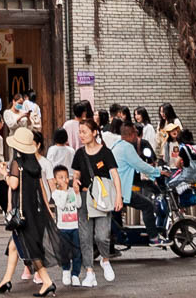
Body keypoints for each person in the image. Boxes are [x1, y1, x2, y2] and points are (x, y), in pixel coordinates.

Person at [0, 125, 52, 295]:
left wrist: (4, 173)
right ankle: (6, 280)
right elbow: (41, 188)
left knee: (30, 249)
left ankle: (47, 282)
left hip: (23, 214)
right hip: (34, 212)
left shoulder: (17, 163)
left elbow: (13, 184)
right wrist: (48, 210)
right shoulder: (35, 164)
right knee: (13, 246)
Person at [71, 116, 116, 285]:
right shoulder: (79, 153)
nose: (81, 135)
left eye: (84, 132)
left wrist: (118, 196)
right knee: (85, 236)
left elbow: (115, 176)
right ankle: (89, 272)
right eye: (79, 132)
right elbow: (76, 174)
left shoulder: (105, 152)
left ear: (94, 132)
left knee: (102, 236)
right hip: (83, 198)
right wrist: (75, 182)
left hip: (101, 199)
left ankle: (105, 260)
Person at [50, 166, 82, 287]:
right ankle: (66, 270)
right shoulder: (56, 193)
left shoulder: (72, 190)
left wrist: (77, 193)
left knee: (77, 251)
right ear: (55, 180)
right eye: (61, 177)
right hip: (63, 227)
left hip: (75, 226)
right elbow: (61, 205)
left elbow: (78, 205)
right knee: (64, 251)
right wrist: (63, 191)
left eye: (66, 177)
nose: (64, 180)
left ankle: (75, 274)